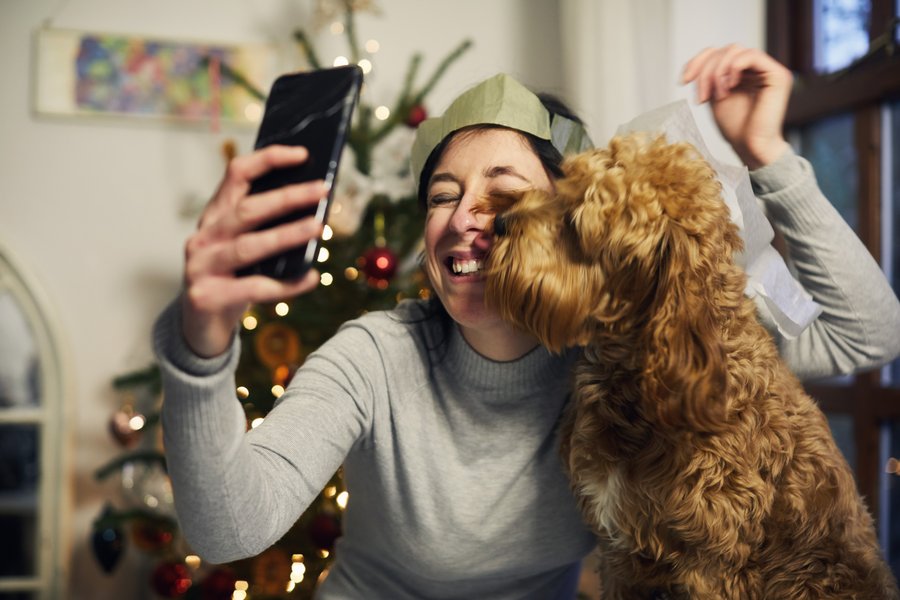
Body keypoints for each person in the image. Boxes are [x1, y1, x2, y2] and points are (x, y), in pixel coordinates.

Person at [153, 45, 900, 599]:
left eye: (504, 193)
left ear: (564, 218)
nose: (465, 218)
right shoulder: (377, 357)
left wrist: (766, 154)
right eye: (442, 196)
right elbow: (228, 529)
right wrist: (201, 344)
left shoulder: (624, 351)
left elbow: (869, 332)